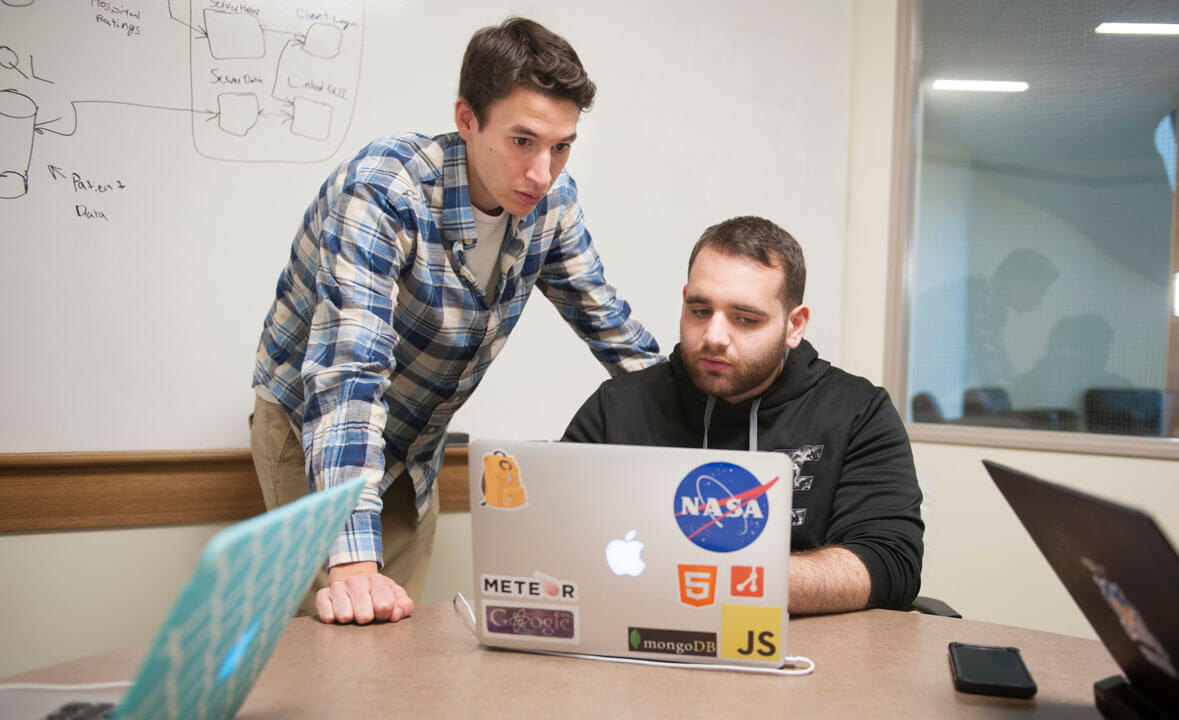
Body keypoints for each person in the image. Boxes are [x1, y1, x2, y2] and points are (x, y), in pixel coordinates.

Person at [250, 17, 661, 626]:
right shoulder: (383, 191)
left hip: (416, 439)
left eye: (562, 145)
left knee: (396, 633)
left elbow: (613, 330)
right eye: (523, 141)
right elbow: (349, 374)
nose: (543, 173)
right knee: (343, 629)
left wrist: (713, 432)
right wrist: (354, 561)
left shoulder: (553, 202)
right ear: (467, 119)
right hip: (315, 422)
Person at [562, 216, 923, 613]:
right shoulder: (617, 406)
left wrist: (725, 580)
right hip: (639, 640)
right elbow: (554, 533)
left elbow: (889, 564)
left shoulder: (858, 413)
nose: (714, 337)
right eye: (700, 311)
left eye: (745, 319)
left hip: (806, 656)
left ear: (794, 325)